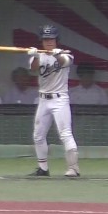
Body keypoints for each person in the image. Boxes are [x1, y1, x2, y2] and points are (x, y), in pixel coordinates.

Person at [24, 24, 80, 177]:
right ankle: (43, 168)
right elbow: (34, 68)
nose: (48, 42)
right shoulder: (39, 56)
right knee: (38, 135)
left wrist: (56, 55)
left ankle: (73, 168)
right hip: (43, 99)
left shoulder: (66, 54)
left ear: (56, 40)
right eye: (45, 39)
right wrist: (36, 56)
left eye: (51, 39)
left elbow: (64, 62)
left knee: (65, 133)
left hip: (59, 99)